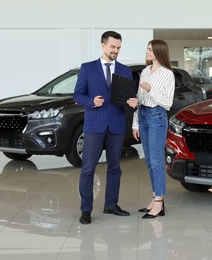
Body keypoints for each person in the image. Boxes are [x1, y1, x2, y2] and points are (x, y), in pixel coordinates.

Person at [74, 30, 134, 224]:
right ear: (103, 45)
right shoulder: (87, 68)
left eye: (118, 48)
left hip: (116, 125)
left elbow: (127, 96)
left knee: (115, 168)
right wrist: (91, 101)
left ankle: (111, 205)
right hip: (94, 125)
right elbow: (77, 95)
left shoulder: (125, 70)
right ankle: (86, 210)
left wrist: (132, 101)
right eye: (112, 47)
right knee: (88, 169)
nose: (115, 51)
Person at [127, 39, 175, 219]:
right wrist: (135, 122)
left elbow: (167, 103)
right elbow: (140, 98)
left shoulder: (168, 74)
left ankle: (159, 203)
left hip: (157, 117)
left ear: (158, 51)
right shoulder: (145, 71)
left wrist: (151, 90)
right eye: (147, 49)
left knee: (157, 161)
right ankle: (155, 197)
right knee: (149, 161)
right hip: (144, 116)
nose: (146, 52)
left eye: (149, 49)